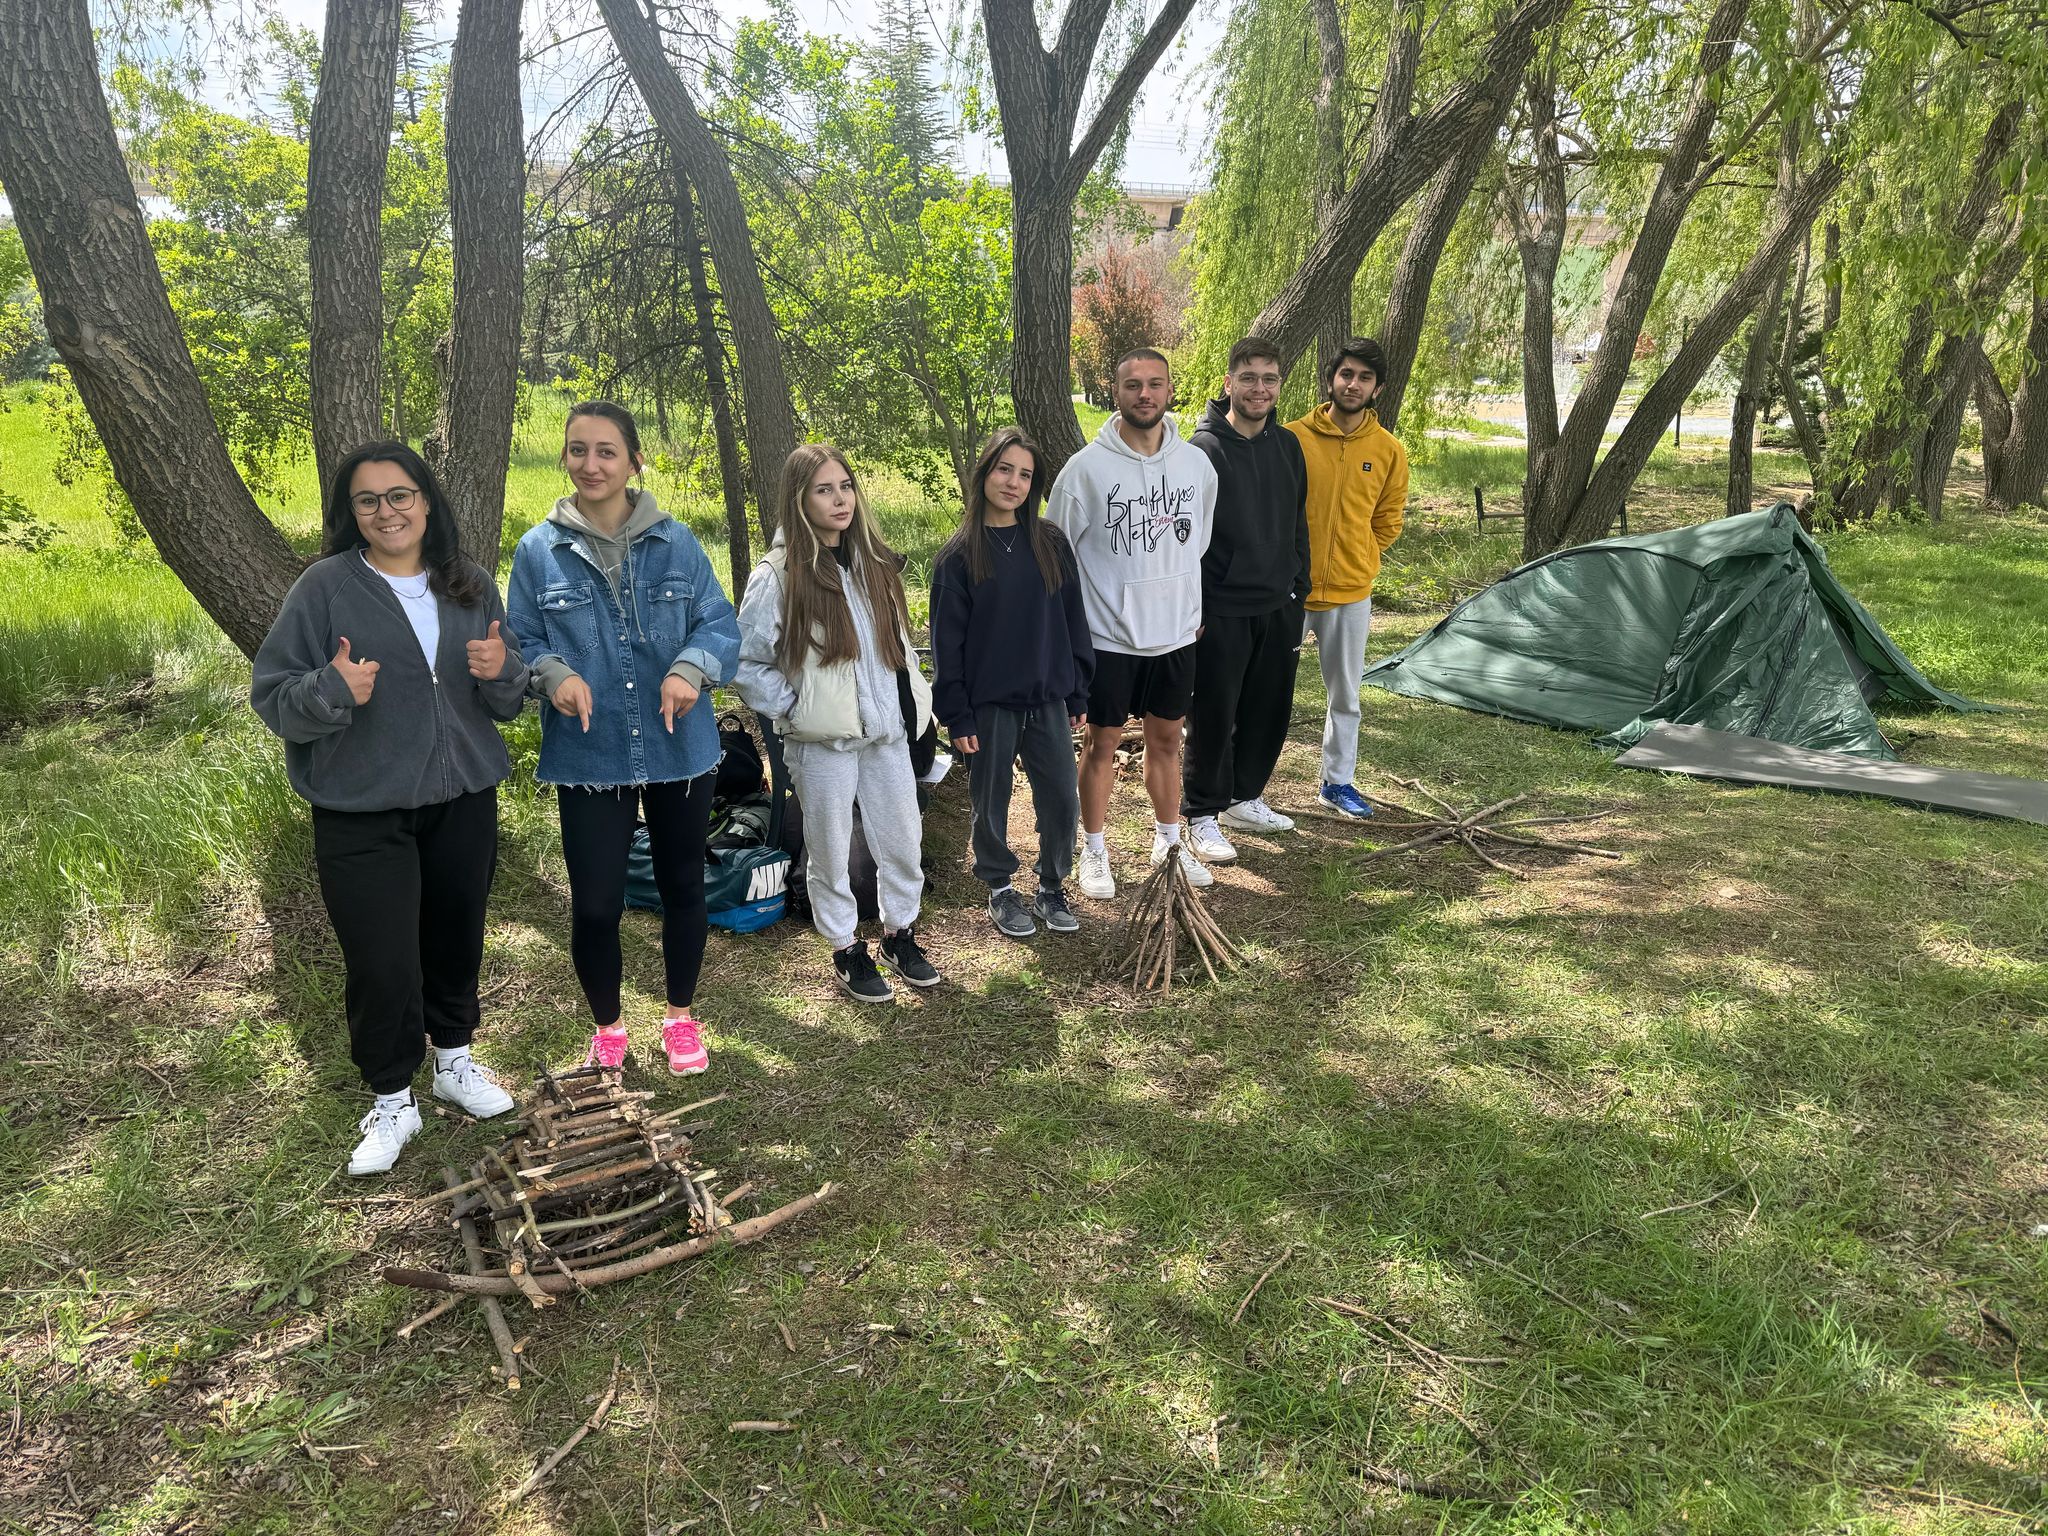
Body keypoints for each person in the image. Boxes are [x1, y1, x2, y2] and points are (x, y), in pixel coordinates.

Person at [251, 442, 526, 1176]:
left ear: (427, 501)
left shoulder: (468, 585)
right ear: (351, 513)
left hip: (462, 795)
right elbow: (274, 700)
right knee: (380, 957)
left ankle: (455, 1064)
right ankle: (392, 1098)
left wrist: (507, 673)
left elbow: (504, 699)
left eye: (400, 495)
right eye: (368, 500)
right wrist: (332, 689)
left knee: (456, 935)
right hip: (360, 806)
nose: (387, 511)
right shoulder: (325, 589)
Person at [507, 401, 741, 1076]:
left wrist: (691, 668)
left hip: (680, 749)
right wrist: (552, 675)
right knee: (598, 902)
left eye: (607, 451)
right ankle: (608, 1026)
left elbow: (719, 622)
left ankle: (679, 1016)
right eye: (578, 450)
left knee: (682, 887)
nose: (591, 464)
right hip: (589, 753)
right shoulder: (536, 551)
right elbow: (521, 638)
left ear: (635, 460)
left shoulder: (679, 542)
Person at [735, 444, 941, 1002]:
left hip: (886, 735)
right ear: (799, 499)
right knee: (828, 846)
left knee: (902, 838)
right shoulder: (779, 575)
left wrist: (914, 701)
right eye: (824, 489)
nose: (839, 499)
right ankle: (846, 947)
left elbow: (896, 646)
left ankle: (901, 932)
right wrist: (797, 708)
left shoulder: (873, 561)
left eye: (845, 486)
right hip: (823, 743)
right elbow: (747, 662)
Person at [1046, 347, 1219, 899]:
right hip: (1108, 640)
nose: (1145, 394)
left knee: (1167, 741)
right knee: (1101, 743)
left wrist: (1183, 604)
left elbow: (1200, 543)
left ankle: (1168, 841)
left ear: (1170, 391)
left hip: (1174, 637)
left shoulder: (1196, 466)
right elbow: (1056, 554)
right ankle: (1093, 850)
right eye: (1132, 385)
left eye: (1155, 384)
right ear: (1114, 391)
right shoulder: (1084, 471)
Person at [931, 428, 1094, 939]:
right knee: (991, 801)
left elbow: (1073, 620)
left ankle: (1052, 884)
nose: (1014, 482)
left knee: (1062, 798)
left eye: (1025, 475)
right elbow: (945, 646)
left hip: (1047, 697)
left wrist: (1078, 688)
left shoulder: (1049, 543)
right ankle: (1000, 887)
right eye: (1005, 469)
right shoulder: (959, 556)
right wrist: (956, 712)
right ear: (984, 474)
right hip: (989, 707)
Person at [1182, 336, 1311, 864]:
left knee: (1268, 710)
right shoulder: (1201, 451)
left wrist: (1298, 591)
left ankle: (1244, 797)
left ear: (1279, 386)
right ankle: (1201, 814)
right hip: (1222, 608)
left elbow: (1298, 520)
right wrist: (1196, 608)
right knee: (1214, 713)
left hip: (1278, 603)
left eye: (1270, 379)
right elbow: (1186, 538)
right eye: (1249, 378)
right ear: (1229, 383)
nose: (1260, 388)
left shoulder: (1288, 446)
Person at [1285, 336, 1409, 819]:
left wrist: (1361, 558)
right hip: (1290, 592)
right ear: (1332, 379)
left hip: (1351, 596)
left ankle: (1337, 783)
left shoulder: (1388, 451)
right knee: (1266, 692)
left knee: (1346, 696)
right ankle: (1243, 789)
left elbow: (1388, 519)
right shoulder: (1293, 438)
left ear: (1376, 388)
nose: (1353, 384)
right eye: (1346, 374)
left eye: (1364, 378)